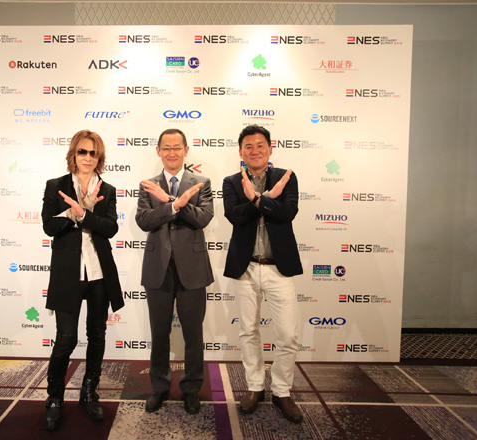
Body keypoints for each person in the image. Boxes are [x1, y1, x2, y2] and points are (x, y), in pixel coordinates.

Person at [41, 129, 124, 430]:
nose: (87, 158)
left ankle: (89, 392)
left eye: (93, 153)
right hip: (68, 273)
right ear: (73, 154)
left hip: (99, 273)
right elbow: (49, 227)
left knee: (97, 334)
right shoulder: (56, 186)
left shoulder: (107, 189)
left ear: (99, 157)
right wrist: (73, 213)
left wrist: (86, 214)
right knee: (66, 338)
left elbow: (110, 228)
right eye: (82, 152)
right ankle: (54, 397)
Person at [222, 124, 304, 423]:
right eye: (248, 146)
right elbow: (235, 216)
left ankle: (282, 391)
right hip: (246, 267)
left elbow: (287, 213)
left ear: (270, 148)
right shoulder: (232, 182)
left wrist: (256, 199)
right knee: (248, 331)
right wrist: (268, 199)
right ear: (241, 152)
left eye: (260, 145)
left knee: (288, 334)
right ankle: (255, 387)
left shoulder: (287, 177)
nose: (254, 150)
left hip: (278, 267)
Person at [135, 128, 214, 415]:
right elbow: (144, 221)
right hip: (158, 269)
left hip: (192, 269)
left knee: (194, 334)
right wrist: (174, 205)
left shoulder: (201, 183)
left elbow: (203, 218)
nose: (171, 152)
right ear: (158, 151)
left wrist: (171, 202)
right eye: (166, 147)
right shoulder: (148, 185)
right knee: (159, 333)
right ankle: (159, 387)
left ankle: (191, 388)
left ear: (186, 150)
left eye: (176, 147)